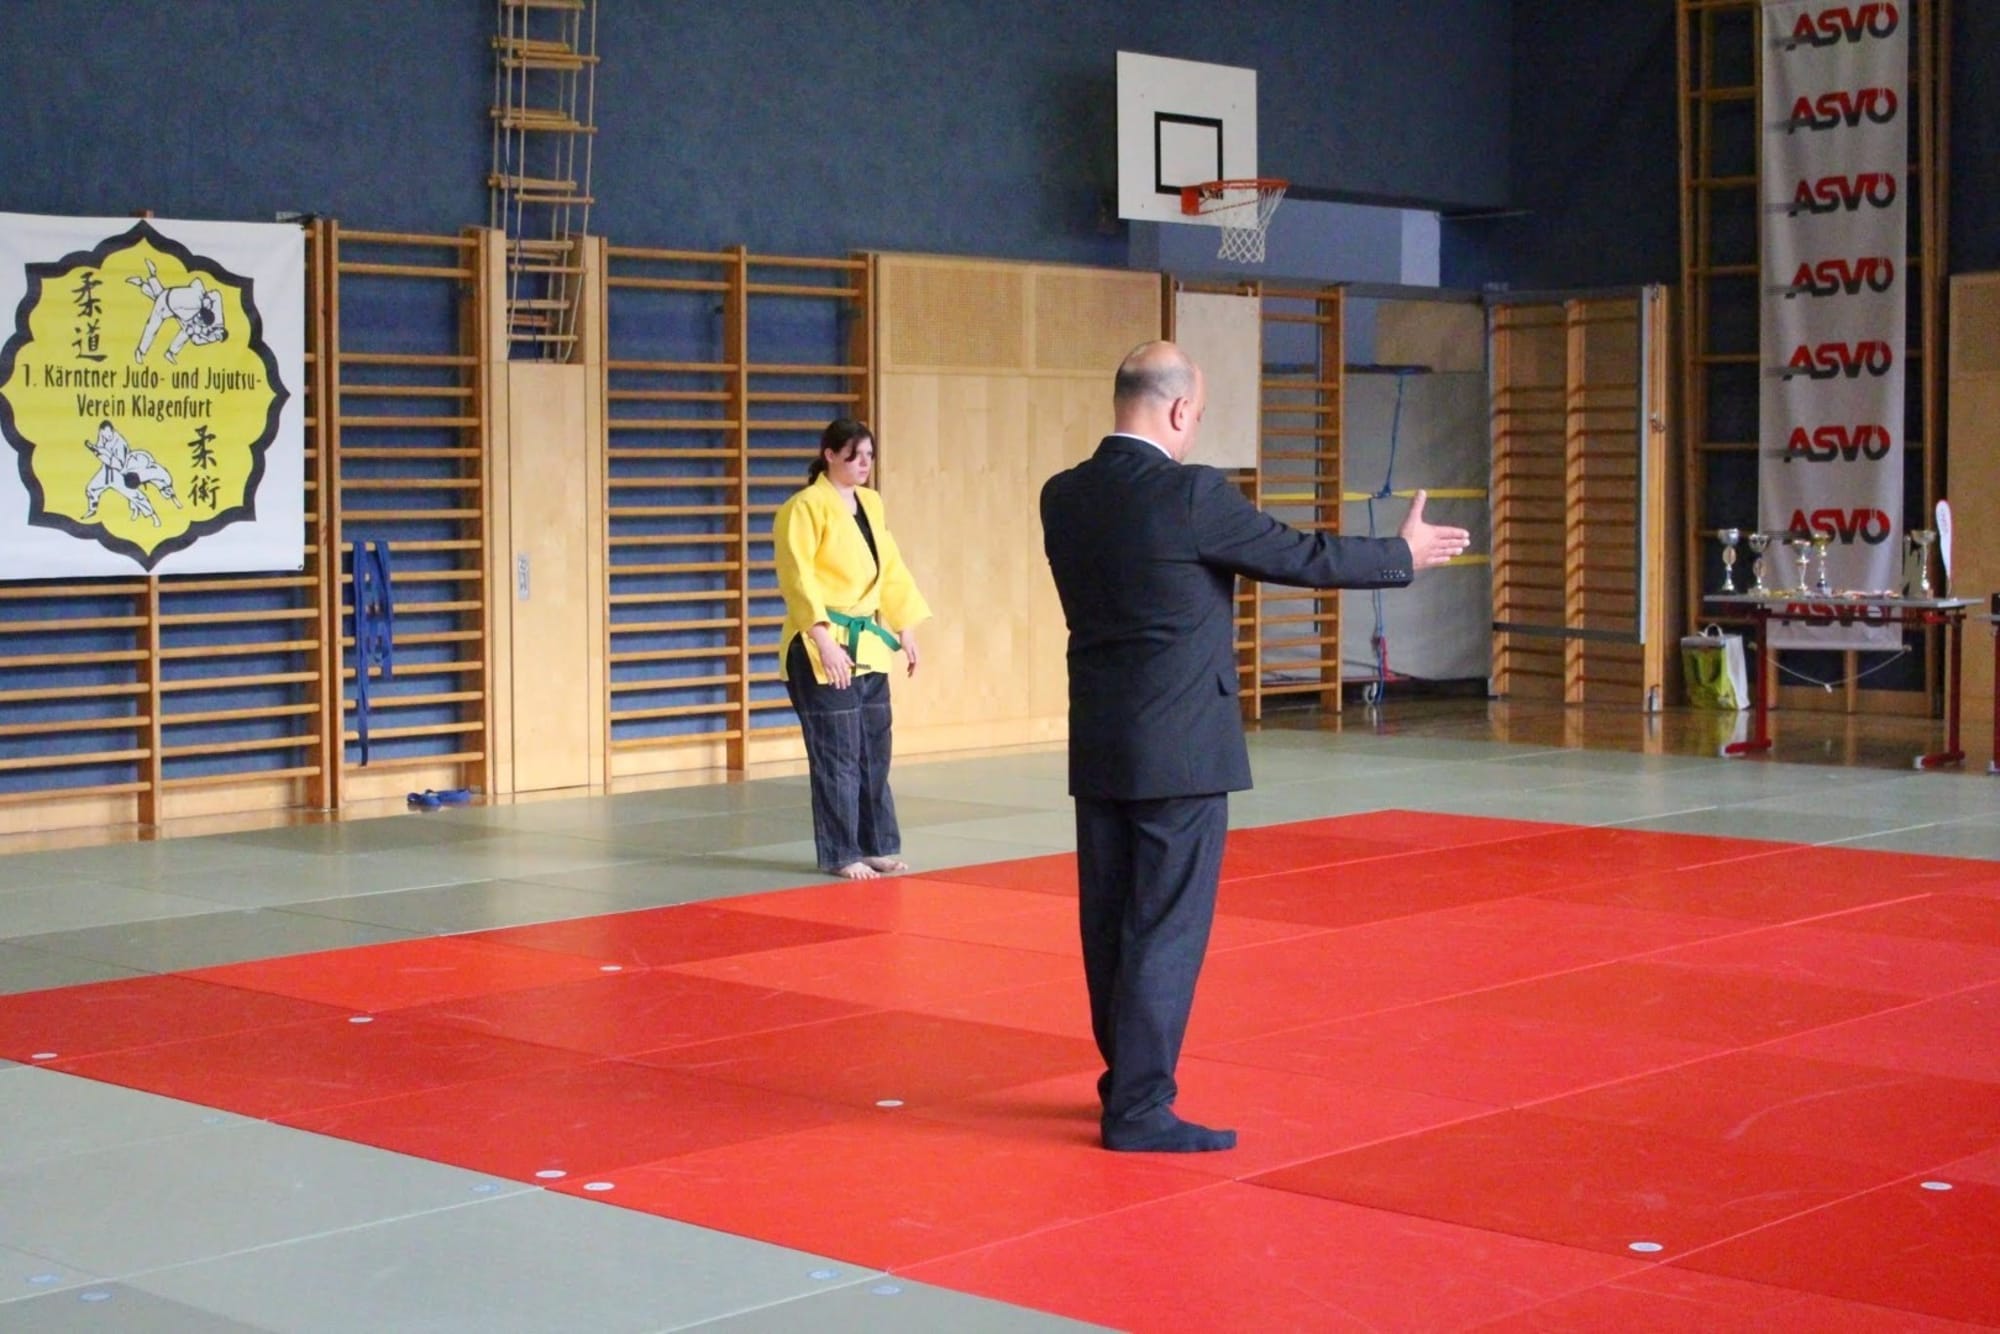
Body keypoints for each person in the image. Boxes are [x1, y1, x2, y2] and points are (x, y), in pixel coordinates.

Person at [1039, 341, 1470, 1152]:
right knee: (1164, 929)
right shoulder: (1191, 492)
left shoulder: (1063, 495)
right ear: (1178, 410)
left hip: (1101, 742)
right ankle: (1139, 1108)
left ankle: (1125, 1082)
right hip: (1182, 750)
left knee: (1110, 925)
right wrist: (1400, 556)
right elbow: (1298, 555)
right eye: (1198, 414)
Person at [774, 419, 932, 881]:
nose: (864, 463)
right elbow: (797, 577)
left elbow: (892, 568)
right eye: (854, 454)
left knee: (874, 752)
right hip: (821, 646)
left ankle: (876, 845)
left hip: (868, 645)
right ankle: (841, 853)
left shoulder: (871, 503)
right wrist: (823, 639)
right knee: (838, 756)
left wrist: (905, 627)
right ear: (829, 455)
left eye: (869, 455)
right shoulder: (803, 508)